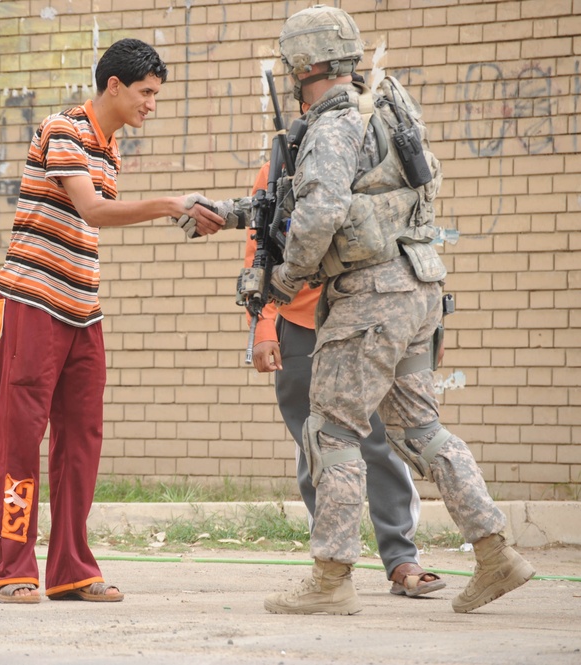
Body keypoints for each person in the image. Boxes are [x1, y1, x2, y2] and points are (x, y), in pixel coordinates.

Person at [200, 4, 533, 615]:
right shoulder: (382, 109)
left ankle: (331, 578)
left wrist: (279, 282)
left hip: (369, 301)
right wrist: (226, 213)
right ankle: (496, 553)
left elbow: (320, 216)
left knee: (330, 430)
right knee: (420, 430)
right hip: (417, 292)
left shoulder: (331, 126)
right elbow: (303, 201)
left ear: (304, 64)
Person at [0, 38, 227, 604]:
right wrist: (169, 205)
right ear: (113, 85)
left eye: (157, 95)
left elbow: (87, 221)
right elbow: (92, 210)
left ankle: (70, 568)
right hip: (34, 303)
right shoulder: (64, 128)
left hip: (83, 309)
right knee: (21, 440)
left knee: (81, 440)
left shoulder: (109, 144)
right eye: (146, 93)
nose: (152, 105)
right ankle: (11, 570)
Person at [245, 162, 445, 599]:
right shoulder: (278, 166)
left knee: (375, 441)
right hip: (298, 321)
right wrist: (263, 324)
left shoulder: (374, 161)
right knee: (314, 445)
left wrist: (431, 323)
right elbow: (261, 249)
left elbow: (414, 240)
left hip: (362, 317)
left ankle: (401, 558)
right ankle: (332, 568)